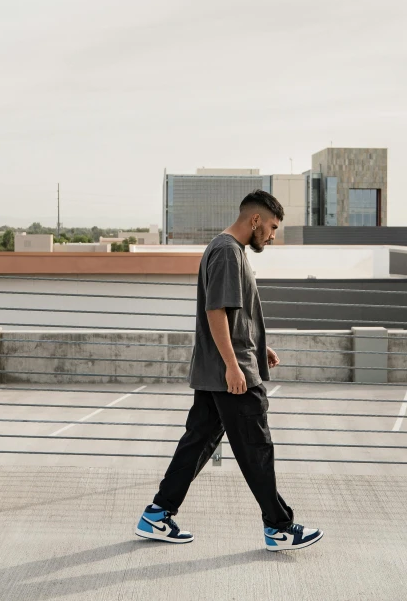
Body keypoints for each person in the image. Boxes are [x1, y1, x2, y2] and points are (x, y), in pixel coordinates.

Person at [135, 189, 323, 552]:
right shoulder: (226, 252)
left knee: (197, 443)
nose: (271, 235)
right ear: (255, 220)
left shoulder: (227, 250)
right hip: (231, 376)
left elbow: (232, 315)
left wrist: (255, 341)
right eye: (270, 227)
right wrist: (234, 367)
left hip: (216, 371)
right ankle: (279, 527)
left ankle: (157, 514)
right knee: (256, 448)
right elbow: (216, 312)